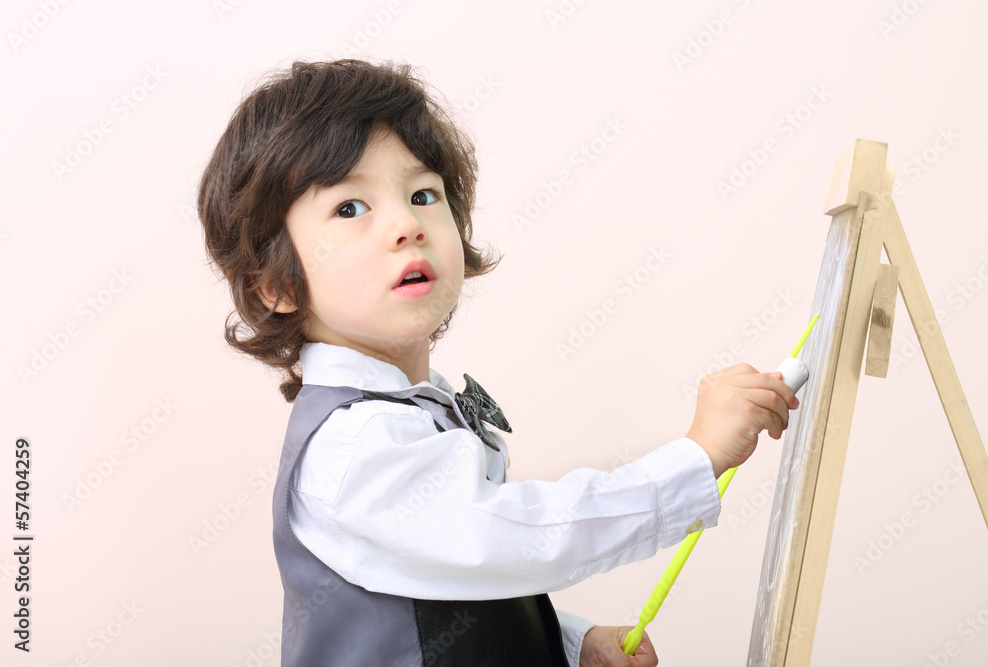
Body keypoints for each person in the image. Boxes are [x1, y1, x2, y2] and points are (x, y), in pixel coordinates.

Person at [197, 58, 798, 667]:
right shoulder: (354, 447)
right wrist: (695, 458)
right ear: (275, 283)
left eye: (423, 194)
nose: (406, 224)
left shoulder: (414, 408)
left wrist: (566, 641)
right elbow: (513, 537)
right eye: (350, 209)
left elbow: (455, 579)